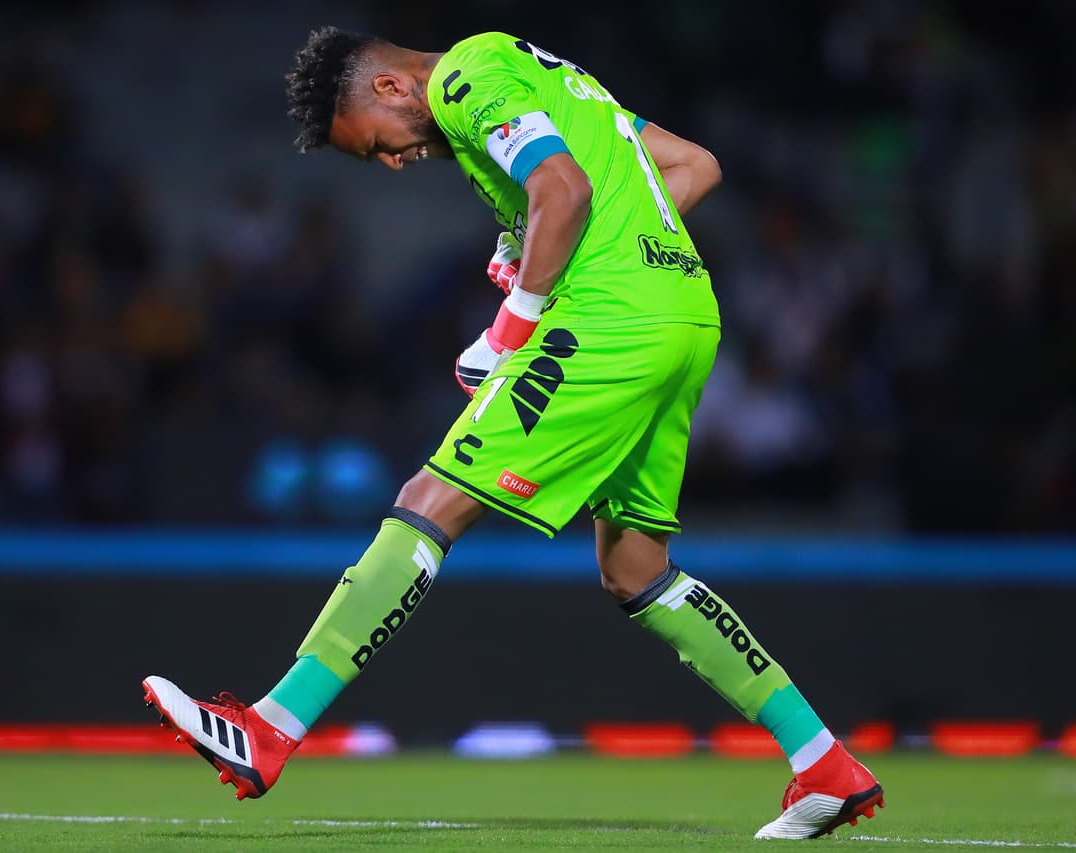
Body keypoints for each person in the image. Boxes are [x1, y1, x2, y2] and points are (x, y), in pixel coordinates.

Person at [143, 27, 884, 840]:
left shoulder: (466, 75)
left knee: (430, 499)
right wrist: (562, 255)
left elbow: (561, 190)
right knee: (635, 568)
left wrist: (512, 325)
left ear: (390, 89)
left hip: (611, 324)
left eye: (375, 146)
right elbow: (688, 167)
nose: (391, 161)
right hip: (682, 315)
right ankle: (823, 763)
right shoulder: (553, 85)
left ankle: (270, 727)